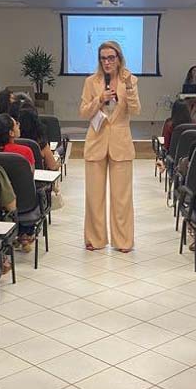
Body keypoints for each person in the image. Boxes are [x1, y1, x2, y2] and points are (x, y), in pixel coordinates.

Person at [79, 40, 140, 252]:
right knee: (94, 197)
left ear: (119, 59)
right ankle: (95, 240)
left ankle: (123, 241)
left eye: (111, 58)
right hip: (96, 141)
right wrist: (99, 99)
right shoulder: (91, 82)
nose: (107, 62)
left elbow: (136, 109)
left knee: (121, 198)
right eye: (103, 58)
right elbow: (84, 112)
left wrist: (130, 87)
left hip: (120, 143)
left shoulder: (129, 80)